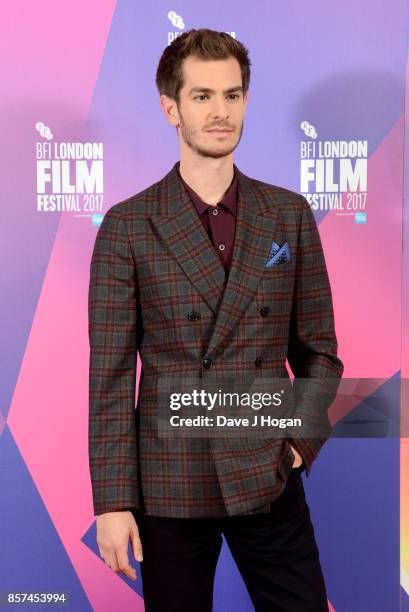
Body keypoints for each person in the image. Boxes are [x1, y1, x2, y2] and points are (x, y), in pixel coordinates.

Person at [88, 28, 344, 612]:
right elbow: (108, 378)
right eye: (202, 96)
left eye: (232, 95)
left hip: (268, 472)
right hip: (169, 481)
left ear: (246, 101)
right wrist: (111, 501)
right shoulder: (128, 226)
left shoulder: (288, 214)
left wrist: (299, 442)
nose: (220, 111)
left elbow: (319, 349)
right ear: (170, 108)